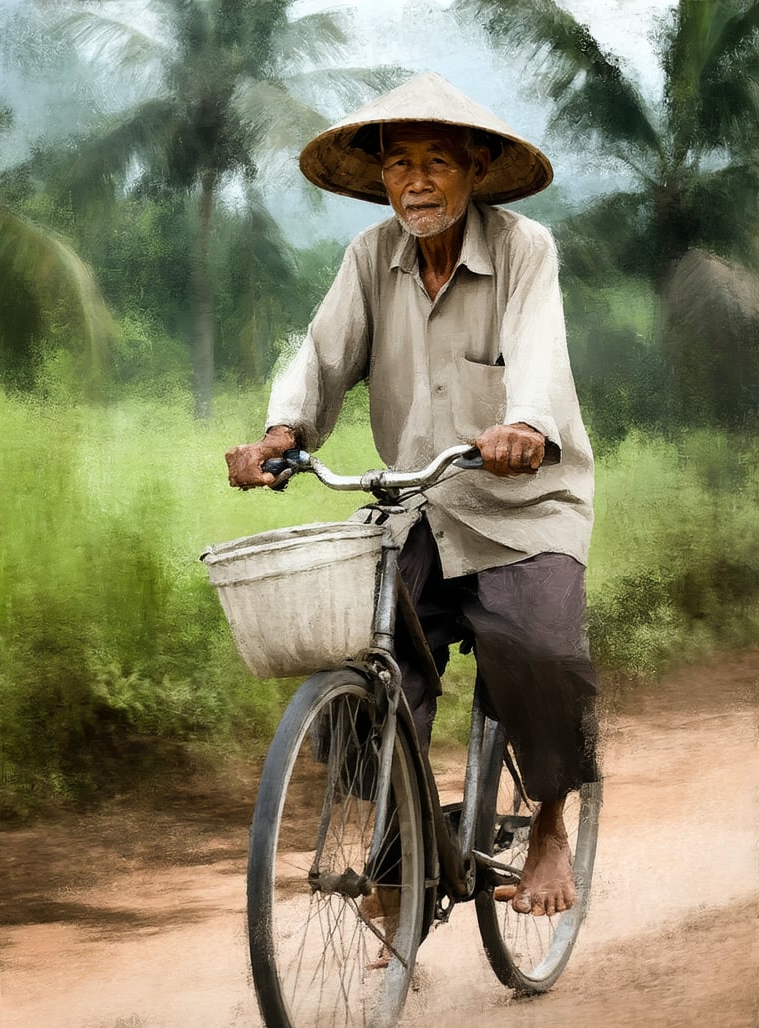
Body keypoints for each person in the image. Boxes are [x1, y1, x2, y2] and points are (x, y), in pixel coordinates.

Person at [226, 72, 598, 918]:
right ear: (382, 177)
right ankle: (410, 847)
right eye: (400, 165)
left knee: (540, 651)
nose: (418, 181)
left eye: (438, 161)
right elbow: (322, 357)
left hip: (525, 506)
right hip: (418, 505)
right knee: (360, 659)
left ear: (475, 169)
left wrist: (528, 423)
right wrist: (284, 435)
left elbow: (537, 349)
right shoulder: (370, 257)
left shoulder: (522, 249)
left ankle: (547, 829)